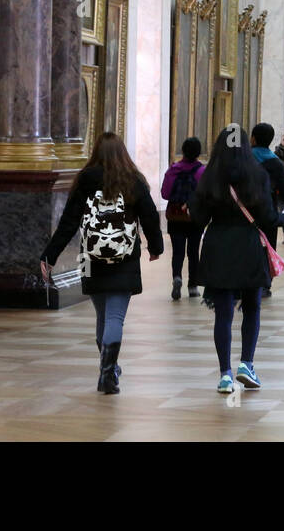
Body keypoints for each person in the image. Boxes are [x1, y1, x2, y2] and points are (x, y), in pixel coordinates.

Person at [41, 132, 163, 395]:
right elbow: (150, 216)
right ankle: (107, 374)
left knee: (102, 315)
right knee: (115, 317)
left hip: (91, 257)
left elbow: (69, 221)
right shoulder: (133, 179)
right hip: (125, 256)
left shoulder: (86, 178)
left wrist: (50, 255)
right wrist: (156, 247)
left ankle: (109, 368)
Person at [191, 125, 279, 394]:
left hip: (218, 245)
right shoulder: (258, 174)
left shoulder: (209, 177)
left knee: (223, 313)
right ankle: (246, 364)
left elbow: (198, 217)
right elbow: (268, 218)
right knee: (252, 307)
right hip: (248, 246)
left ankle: (225, 375)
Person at [252, 123, 284, 297]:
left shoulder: (245, 159)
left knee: (247, 244)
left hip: (245, 209)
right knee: (268, 245)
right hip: (268, 208)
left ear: (253, 138)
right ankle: (265, 284)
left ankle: (245, 280)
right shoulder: (275, 161)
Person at [161, 137, 205, 300]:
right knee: (193, 251)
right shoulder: (202, 171)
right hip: (195, 217)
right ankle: (193, 285)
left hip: (176, 216)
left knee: (177, 252)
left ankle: (177, 277)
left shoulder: (174, 169)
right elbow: (205, 195)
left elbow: (165, 194)